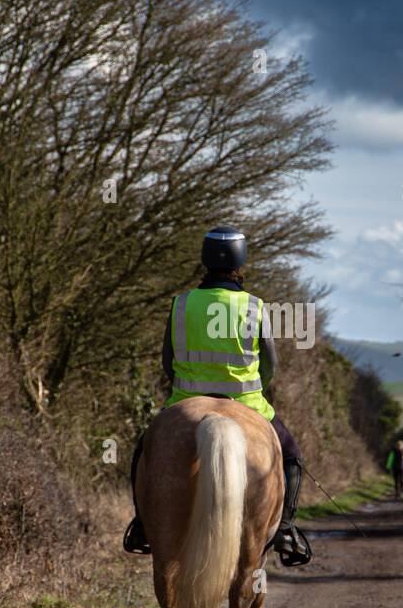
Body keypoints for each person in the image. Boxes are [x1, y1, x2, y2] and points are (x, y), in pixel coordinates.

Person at [123, 226, 311, 566]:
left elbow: (168, 362)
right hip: (248, 403)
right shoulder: (254, 307)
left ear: (205, 260)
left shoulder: (181, 305)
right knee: (293, 455)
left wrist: (189, 386)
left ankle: (142, 525)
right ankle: (285, 529)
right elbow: (270, 366)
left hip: (184, 400)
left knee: (142, 451)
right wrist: (253, 386)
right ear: (241, 261)